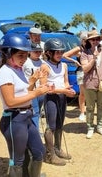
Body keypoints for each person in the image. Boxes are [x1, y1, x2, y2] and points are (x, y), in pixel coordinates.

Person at [0, 33, 51, 176]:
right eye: (20, 55)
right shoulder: (5, 73)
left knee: (39, 151)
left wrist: (33, 83)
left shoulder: (17, 70)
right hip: (14, 120)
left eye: (26, 55)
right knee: (17, 160)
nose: (24, 59)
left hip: (26, 117)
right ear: (8, 54)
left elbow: (23, 93)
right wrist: (36, 93)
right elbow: (10, 101)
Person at [40, 38, 76, 166]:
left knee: (60, 124)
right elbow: (45, 87)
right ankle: (50, 155)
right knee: (51, 126)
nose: (60, 54)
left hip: (61, 97)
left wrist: (68, 88)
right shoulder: (45, 66)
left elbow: (65, 81)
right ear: (49, 53)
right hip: (51, 98)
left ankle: (57, 148)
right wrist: (63, 90)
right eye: (57, 52)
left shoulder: (64, 65)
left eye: (61, 52)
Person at [80, 30, 102, 139]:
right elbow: (85, 69)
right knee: (90, 107)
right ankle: (90, 127)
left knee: (101, 106)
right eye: (93, 39)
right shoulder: (85, 53)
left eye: (97, 39)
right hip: (90, 83)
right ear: (89, 41)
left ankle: (100, 126)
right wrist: (94, 58)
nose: (95, 41)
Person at [62, 32, 87, 122]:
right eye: (85, 40)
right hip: (81, 72)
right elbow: (64, 55)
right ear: (82, 40)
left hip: (90, 73)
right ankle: (82, 113)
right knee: (82, 93)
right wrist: (74, 61)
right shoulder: (79, 48)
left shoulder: (90, 48)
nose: (87, 41)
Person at [22, 43, 45, 131]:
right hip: (31, 91)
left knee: (38, 112)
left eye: (39, 51)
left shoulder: (43, 62)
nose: (38, 53)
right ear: (30, 51)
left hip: (41, 90)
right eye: (35, 51)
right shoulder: (25, 62)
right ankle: (36, 133)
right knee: (34, 113)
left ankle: (35, 130)